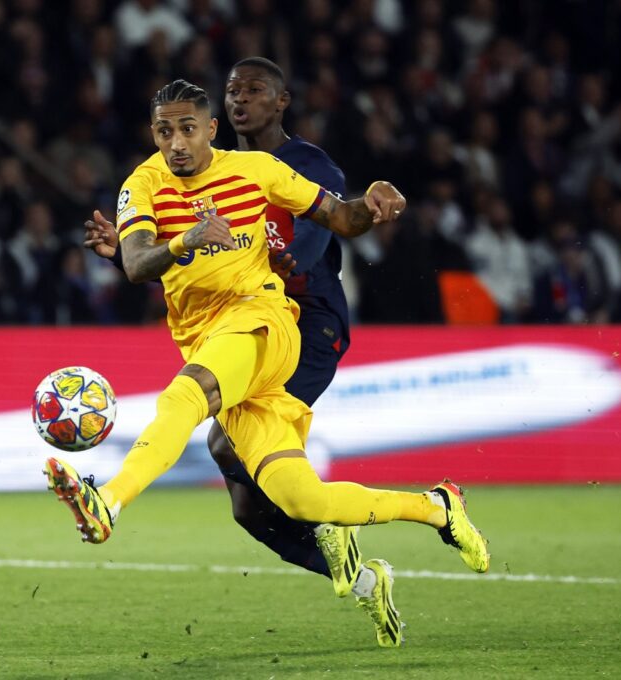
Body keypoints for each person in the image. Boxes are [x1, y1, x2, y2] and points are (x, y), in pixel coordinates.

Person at [45, 77, 489, 641]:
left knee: (186, 396)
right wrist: (189, 240)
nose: (176, 142)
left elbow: (341, 219)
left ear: (210, 129)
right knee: (301, 497)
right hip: (213, 342)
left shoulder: (258, 172)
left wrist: (373, 204)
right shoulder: (142, 184)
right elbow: (136, 264)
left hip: (264, 321)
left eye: (187, 129)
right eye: (164, 131)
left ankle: (106, 500)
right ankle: (438, 508)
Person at [84, 57, 401, 646]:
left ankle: (121, 497)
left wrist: (362, 210)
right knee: (245, 506)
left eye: (253, 90)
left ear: (282, 100)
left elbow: (305, 244)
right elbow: (203, 260)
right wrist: (131, 256)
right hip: (238, 319)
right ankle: (346, 564)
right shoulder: (203, 170)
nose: (239, 101)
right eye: (231, 91)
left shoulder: (299, 166)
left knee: (223, 439)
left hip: (304, 324)